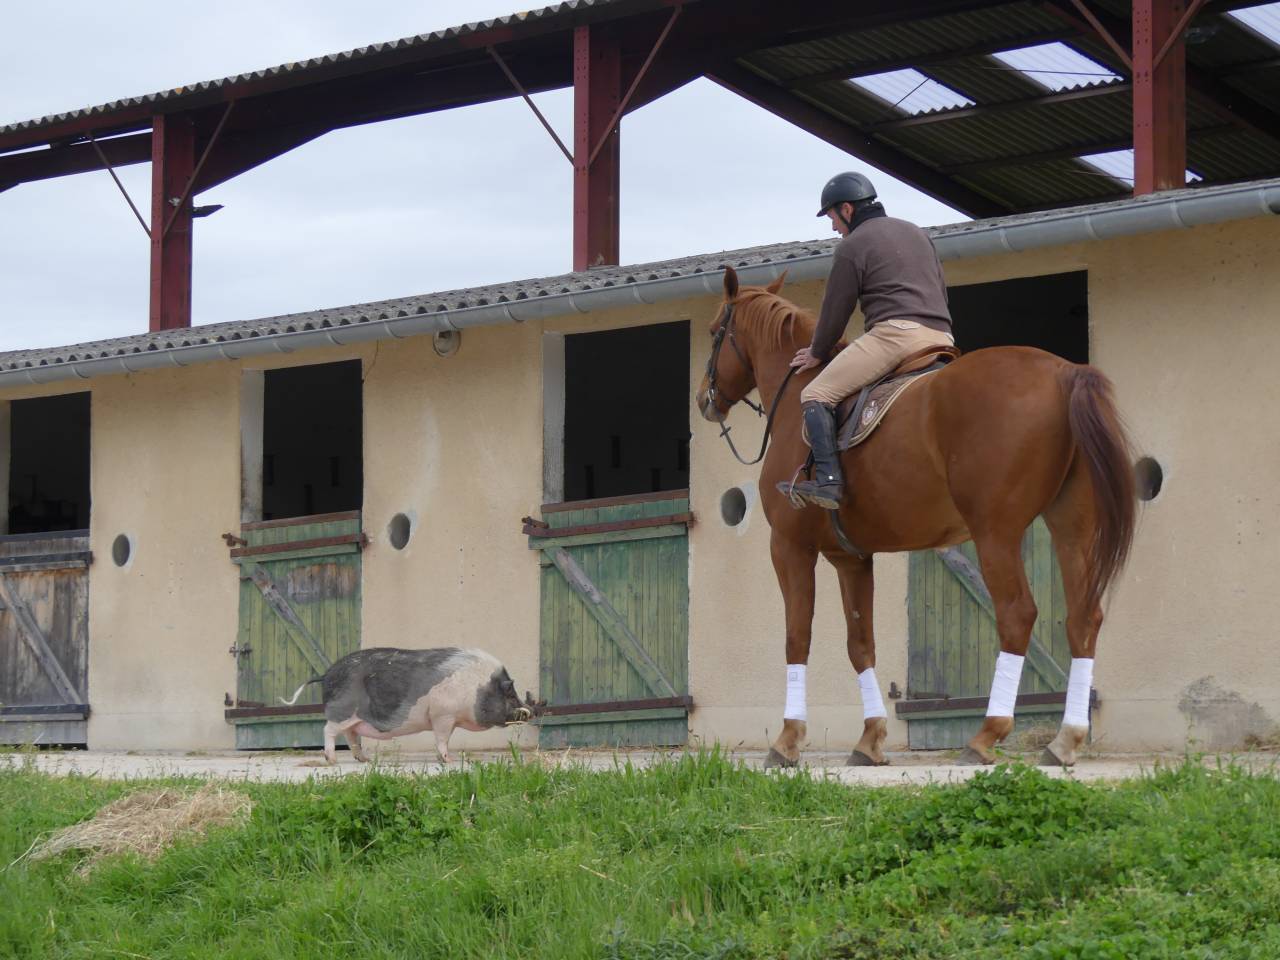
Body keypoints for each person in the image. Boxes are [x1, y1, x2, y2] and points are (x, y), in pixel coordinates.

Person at [781, 171, 955, 508]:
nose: (834, 227)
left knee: (815, 393)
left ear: (847, 209)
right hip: (942, 336)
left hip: (896, 335)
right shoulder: (917, 233)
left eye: (832, 218)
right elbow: (941, 290)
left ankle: (829, 482)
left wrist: (818, 350)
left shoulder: (852, 245)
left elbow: (837, 309)